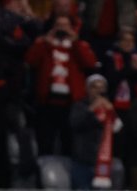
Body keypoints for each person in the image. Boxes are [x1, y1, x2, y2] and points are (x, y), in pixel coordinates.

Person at [25, 14, 98, 155]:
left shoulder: (79, 45)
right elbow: (30, 61)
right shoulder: (43, 44)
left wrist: (75, 42)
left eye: (65, 26)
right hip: (47, 102)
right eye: (58, 25)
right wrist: (45, 43)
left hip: (71, 104)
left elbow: (90, 64)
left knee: (69, 143)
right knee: (45, 142)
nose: (62, 29)